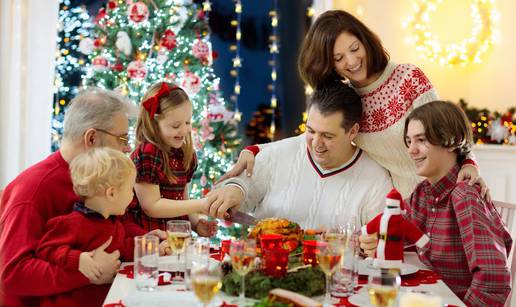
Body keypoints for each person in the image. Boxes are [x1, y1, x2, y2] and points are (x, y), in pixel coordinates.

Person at [218, 10, 486, 199]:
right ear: (328, 63)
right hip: (409, 208)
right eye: (338, 58)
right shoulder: (348, 101)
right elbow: (313, 136)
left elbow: (448, 131)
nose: (351, 61)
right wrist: (256, 150)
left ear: (366, 41)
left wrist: (470, 163)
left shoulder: (408, 78)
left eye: (355, 49)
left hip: (449, 193)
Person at [0, 88, 163, 306]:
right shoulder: (32, 190)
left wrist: (147, 240)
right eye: (122, 138)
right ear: (92, 138)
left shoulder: (103, 178)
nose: (127, 147)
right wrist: (89, 273)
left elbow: (114, 225)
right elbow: (12, 275)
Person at [362, 101, 512, 306]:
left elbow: (493, 282)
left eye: (421, 140)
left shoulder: (464, 196)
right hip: (425, 296)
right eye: (409, 141)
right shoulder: (423, 193)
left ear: (452, 141)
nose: (411, 150)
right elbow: (393, 227)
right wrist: (367, 241)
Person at [208, 82, 392, 229]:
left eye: (328, 136)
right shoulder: (278, 154)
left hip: (334, 272)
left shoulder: (376, 179)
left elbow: (379, 246)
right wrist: (235, 188)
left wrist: (353, 243)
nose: (316, 143)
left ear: (352, 132)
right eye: (310, 131)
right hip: (266, 270)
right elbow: (237, 193)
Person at [35, 147, 169, 307]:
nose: (133, 195)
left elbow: (121, 249)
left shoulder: (113, 224)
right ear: (111, 193)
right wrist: (78, 259)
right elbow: (45, 249)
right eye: (129, 189)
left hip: (103, 299)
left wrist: (150, 247)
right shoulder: (72, 224)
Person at [127, 81, 217, 235]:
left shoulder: (184, 153)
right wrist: (201, 204)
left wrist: (196, 225)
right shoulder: (148, 154)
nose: (184, 130)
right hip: (151, 240)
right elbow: (152, 207)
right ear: (154, 124)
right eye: (176, 126)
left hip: (177, 239)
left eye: (187, 122)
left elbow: (183, 198)